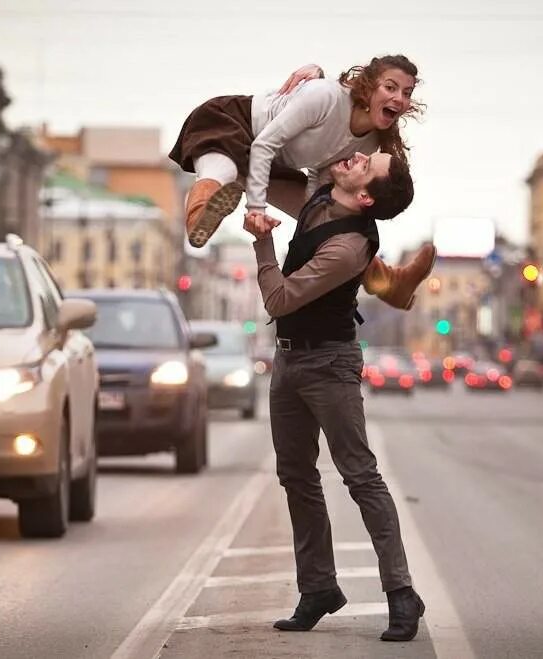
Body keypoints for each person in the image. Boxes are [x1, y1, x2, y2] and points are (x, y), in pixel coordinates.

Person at [243, 149, 425, 642]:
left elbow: (278, 299)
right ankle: (319, 588)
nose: (356, 157)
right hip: (288, 361)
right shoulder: (323, 191)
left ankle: (401, 593)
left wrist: (262, 243)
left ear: (365, 196)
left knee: (360, 475)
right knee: (296, 476)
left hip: (329, 363)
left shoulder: (349, 247)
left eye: (368, 163)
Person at [169, 55, 436, 310]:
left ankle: (390, 283)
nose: (399, 98)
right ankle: (201, 215)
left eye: (407, 93)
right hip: (233, 124)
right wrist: (257, 210)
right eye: (391, 87)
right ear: (368, 87)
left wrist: (313, 225)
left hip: (276, 164)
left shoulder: (370, 142)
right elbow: (264, 145)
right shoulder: (325, 97)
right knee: (221, 170)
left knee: (330, 219)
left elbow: (320, 175)